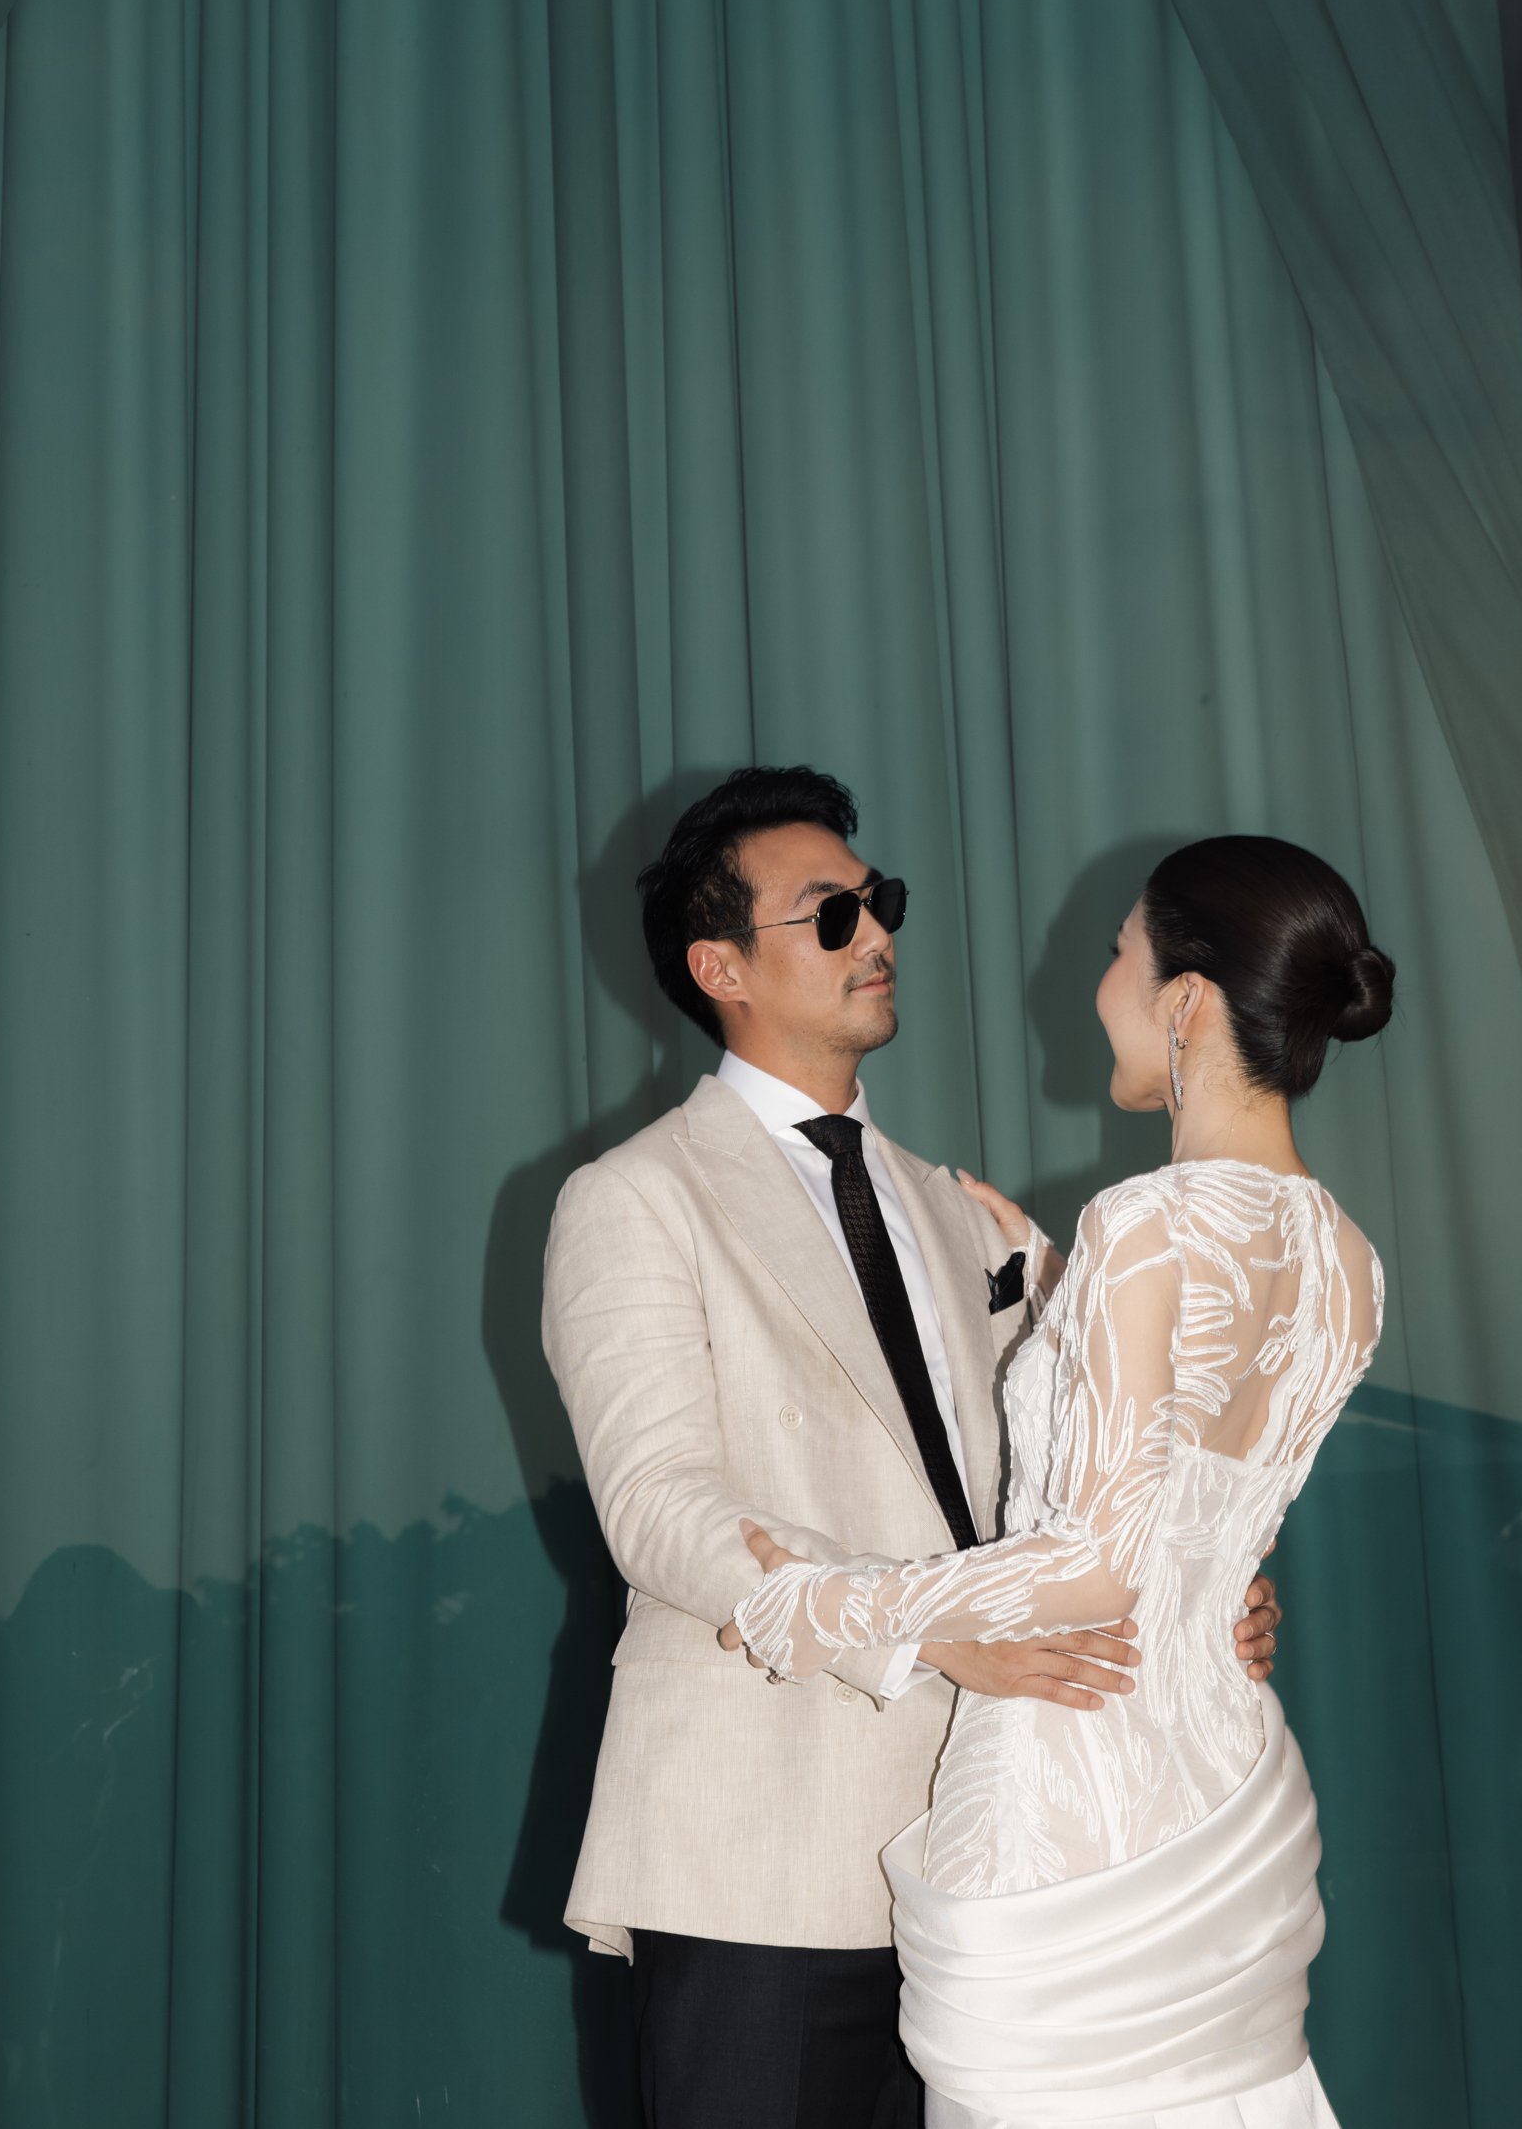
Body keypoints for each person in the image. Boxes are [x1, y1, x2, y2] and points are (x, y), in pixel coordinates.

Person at [541, 769, 1282, 2129]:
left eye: (878, 900)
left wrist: (1193, 1590)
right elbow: (660, 1508)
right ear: (720, 968)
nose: (877, 932)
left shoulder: (957, 1211)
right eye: (830, 914)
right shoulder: (634, 1197)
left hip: (994, 1851)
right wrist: (932, 1629)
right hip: (762, 1848)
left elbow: (1086, 1481)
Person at [724, 833, 1391, 2129]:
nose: (1096, 989)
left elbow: (1092, 1567)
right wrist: (1056, 1290)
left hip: (1069, 1789)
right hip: (1222, 1780)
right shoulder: (1349, 1260)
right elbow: (1200, 1503)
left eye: (1115, 955)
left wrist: (817, 1603)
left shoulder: (1143, 1226)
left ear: (1184, 1001)